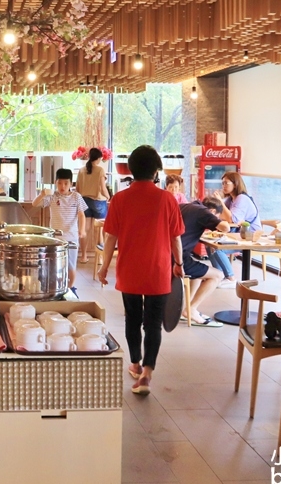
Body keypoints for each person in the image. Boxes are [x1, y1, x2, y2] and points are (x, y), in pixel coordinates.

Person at [97, 146, 184, 396]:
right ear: (156, 170)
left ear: (131, 170)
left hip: (130, 270)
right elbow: (175, 238)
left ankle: (134, 362)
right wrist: (178, 264)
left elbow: (110, 237)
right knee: (153, 323)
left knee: (133, 319)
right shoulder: (167, 199)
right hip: (158, 270)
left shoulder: (120, 199)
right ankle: (147, 373)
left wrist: (103, 267)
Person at [179, 196, 232, 326]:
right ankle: (192, 309)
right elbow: (225, 227)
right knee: (217, 275)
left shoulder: (185, 206)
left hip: (166, 253)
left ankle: (186, 311)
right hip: (177, 258)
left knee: (198, 275)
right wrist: (218, 220)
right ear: (213, 212)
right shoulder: (203, 212)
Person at [33, 169, 87, 288]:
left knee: (71, 265)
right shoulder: (52, 196)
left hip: (71, 237)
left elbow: (81, 214)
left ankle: (70, 288)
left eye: (66, 183)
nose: (62, 186)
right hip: (55, 238)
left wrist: (82, 230)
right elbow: (34, 204)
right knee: (53, 265)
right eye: (60, 183)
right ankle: (56, 288)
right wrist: (42, 194)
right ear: (55, 183)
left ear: (71, 184)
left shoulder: (76, 196)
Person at [75, 148, 110, 263]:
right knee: (99, 230)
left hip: (84, 201)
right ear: (99, 158)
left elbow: (77, 189)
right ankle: (99, 258)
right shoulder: (100, 170)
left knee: (85, 229)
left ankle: (83, 256)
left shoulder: (81, 170)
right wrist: (109, 197)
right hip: (98, 201)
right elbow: (103, 188)